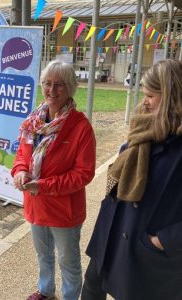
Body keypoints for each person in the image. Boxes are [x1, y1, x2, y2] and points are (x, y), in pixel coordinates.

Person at [82, 59, 182, 300]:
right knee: (91, 290)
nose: (144, 102)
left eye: (151, 95)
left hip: (147, 252)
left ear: (170, 97)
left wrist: (163, 241)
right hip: (111, 234)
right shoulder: (142, 128)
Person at [11, 60, 96, 300]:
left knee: (68, 261)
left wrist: (43, 186)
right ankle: (45, 290)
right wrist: (19, 171)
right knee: (43, 255)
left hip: (64, 210)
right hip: (36, 204)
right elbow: (21, 154)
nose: (52, 90)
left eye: (59, 85)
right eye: (47, 83)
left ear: (70, 88)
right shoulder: (33, 121)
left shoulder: (80, 127)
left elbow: (83, 174)